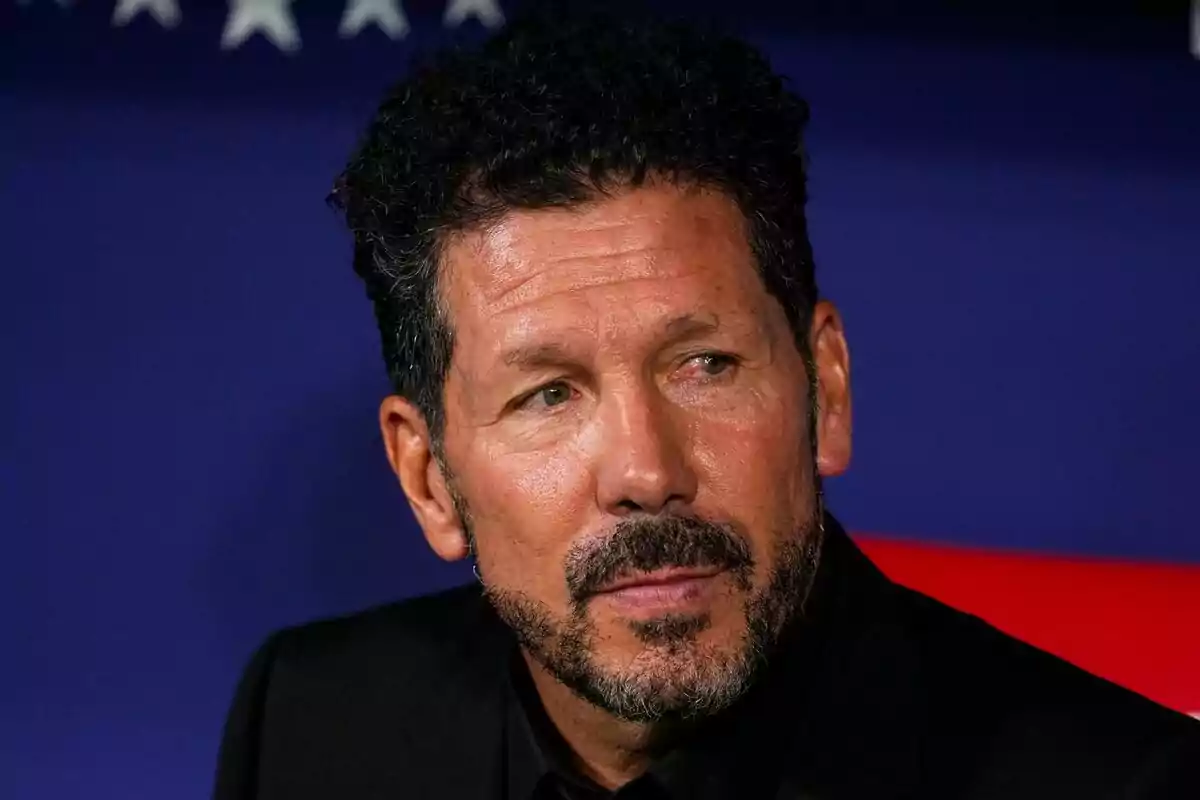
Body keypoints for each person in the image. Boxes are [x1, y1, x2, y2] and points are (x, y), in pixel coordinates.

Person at [211, 7, 1200, 800]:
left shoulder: (1119, 781)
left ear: (827, 388)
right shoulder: (309, 726)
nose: (648, 470)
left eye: (706, 364)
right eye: (549, 393)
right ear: (429, 477)